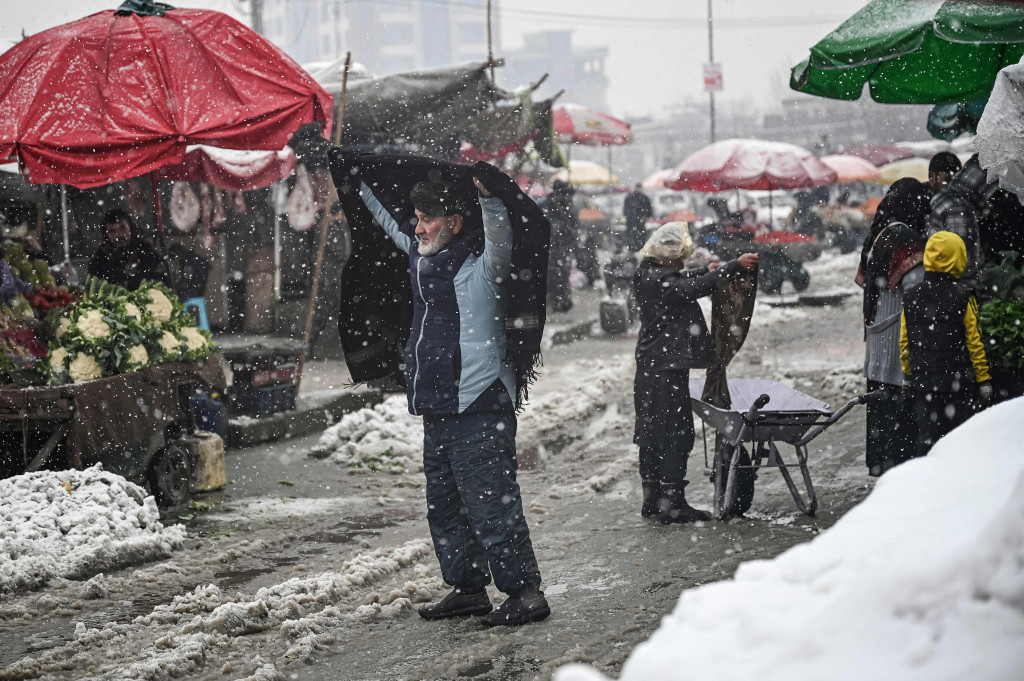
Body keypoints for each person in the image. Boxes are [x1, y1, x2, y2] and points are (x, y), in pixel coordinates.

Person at [354, 176, 548, 626]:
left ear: (455, 223)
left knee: (490, 502)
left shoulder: (482, 268)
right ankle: (469, 589)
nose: (417, 228)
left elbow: (501, 238)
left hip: (478, 403)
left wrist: (489, 198)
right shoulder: (421, 260)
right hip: (438, 406)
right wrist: (350, 174)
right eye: (417, 219)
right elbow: (386, 217)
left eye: (427, 219)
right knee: (445, 506)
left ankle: (525, 594)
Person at [633, 221, 758, 523]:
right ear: (665, 255)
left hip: (652, 365)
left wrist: (707, 269)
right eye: (678, 258)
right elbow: (689, 287)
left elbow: (682, 280)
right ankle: (673, 502)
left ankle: (653, 498)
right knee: (676, 432)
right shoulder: (663, 280)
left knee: (650, 432)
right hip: (666, 367)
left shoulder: (647, 274)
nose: (681, 263)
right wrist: (731, 266)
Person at [859, 179, 930, 476]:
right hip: (896, 343)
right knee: (901, 415)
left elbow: (866, 283)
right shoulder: (906, 239)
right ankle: (901, 475)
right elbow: (916, 287)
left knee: (882, 413)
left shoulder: (877, 235)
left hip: (877, 343)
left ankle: (882, 466)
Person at [900, 231, 992, 458]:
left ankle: (928, 485)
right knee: (960, 438)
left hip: (923, 381)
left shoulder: (911, 296)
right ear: (958, 257)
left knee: (927, 440)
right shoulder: (963, 296)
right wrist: (984, 380)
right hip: (957, 382)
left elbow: (904, 342)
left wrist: (908, 375)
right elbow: (974, 342)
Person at [926, 155, 999, 288]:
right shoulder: (958, 206)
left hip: (940, 286)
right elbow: (964, 261)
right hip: (954, 290)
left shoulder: (945, 197)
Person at [88, 209, 169, 290]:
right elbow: (94, 290)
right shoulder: (100, 260)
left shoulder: (147, 253)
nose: (118, 235)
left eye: (123, 228)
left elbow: (162, 285)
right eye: (112, 231)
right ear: (106, 234)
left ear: (131, 228)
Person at [541, 180, 578, 312]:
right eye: (568, 195)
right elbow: (548, 225)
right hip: (552, 247)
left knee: (563, 273)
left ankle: (563, 300)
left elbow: (574, 224)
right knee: (553, 275)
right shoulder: (549, 205)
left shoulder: (566, 207)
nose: (570, 198)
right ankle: (556, 300)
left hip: (564, 247)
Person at [622, 183, 653, 251]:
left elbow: (625, 211)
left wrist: (629, 217)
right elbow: (649, 211)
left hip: (631, 222)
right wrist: (644, 216)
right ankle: (640, 249)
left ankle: (632, 250)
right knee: (640, 238)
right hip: (640, 222)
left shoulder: (629, 197)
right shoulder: (644, 198)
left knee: (631, 237)